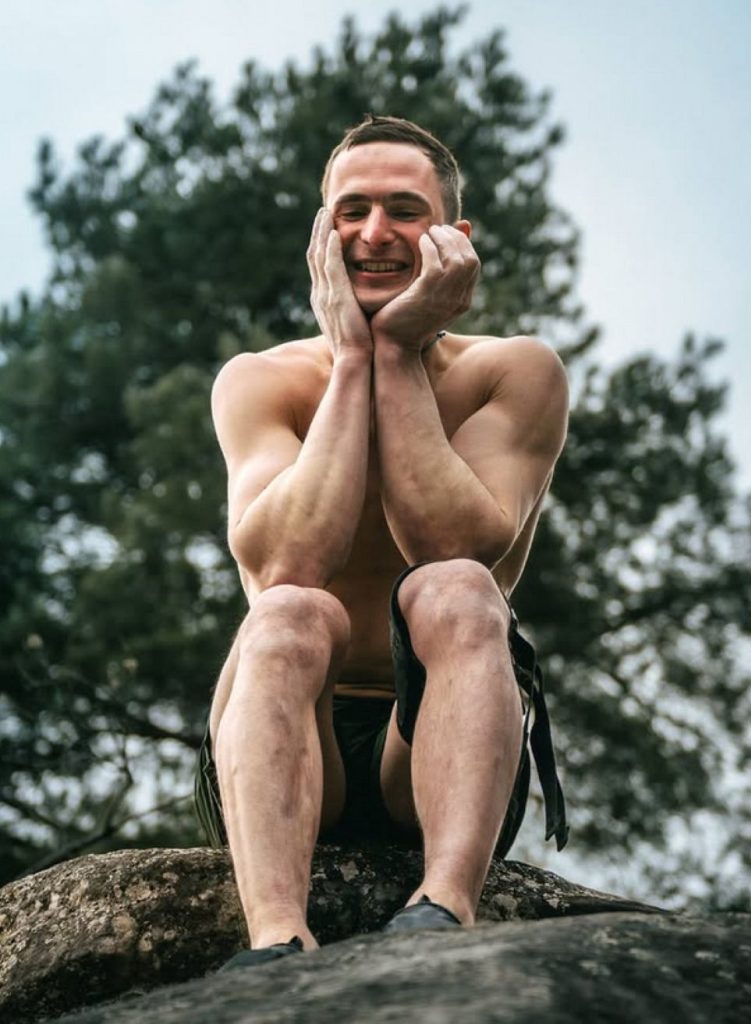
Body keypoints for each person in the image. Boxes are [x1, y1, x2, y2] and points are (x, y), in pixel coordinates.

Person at [194, 114, 569, 969]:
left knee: (457, 591)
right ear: (322, 234)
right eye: (352, 210)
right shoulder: (259, 380)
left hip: (442, 744)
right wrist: (352, 361)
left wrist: (395, 350)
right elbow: (287, 562)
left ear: (453, 239)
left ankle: (445, 905)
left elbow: (452, 545)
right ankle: (274, 938)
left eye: (405, 209)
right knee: (289, 610)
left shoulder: (514, 372)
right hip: (287, 742)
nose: (374, 233)